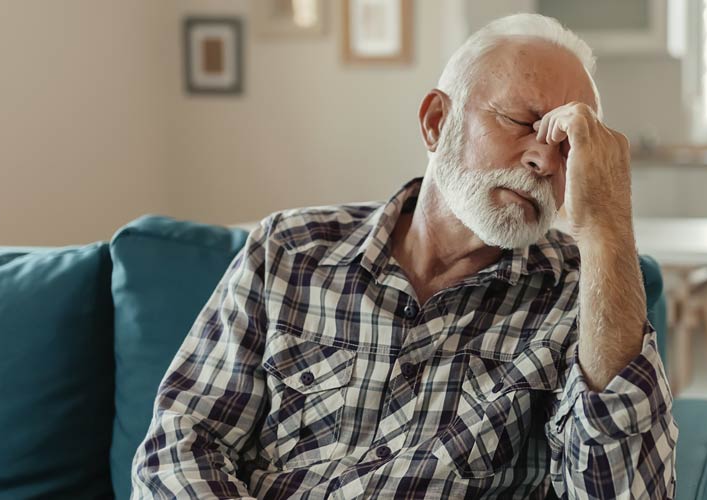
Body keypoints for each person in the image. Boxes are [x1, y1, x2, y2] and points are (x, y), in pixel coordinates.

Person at [131, 13, 677, 499]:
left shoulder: (578, 296)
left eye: (566, 147)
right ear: (437, 122)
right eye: (522, 122)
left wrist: (608, 226)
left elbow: (627, 490)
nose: (543, 159)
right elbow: (180, 445)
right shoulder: (289, 250)